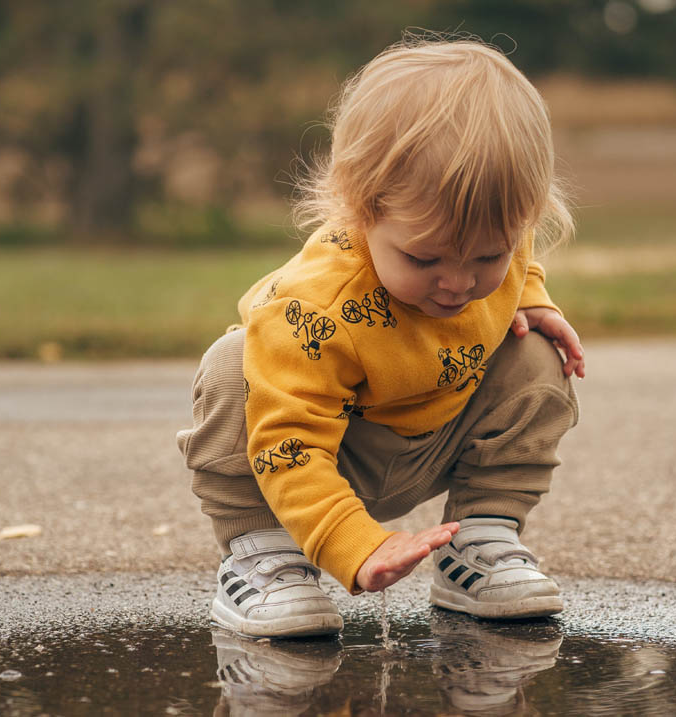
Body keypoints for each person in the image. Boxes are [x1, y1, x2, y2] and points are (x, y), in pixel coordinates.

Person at [176, 34, 585, 639]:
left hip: (437, 435)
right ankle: (266, 560)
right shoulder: (313, 310)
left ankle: (479, 544)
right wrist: (354, 545)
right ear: (359, 209)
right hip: (324, 452)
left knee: (534, 356)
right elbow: (289, 442)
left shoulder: (492, 236)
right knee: (231, 366)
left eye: (487, 256)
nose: (457, 283)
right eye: (425, 260)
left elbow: (519, 258)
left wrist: (531, 298)